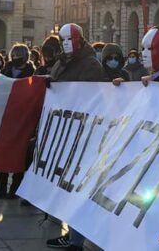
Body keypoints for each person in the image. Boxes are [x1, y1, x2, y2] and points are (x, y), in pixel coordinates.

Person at [46, 24, 106, 251]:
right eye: (62, 41)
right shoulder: (62, 61)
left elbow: (90, 95)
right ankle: (71, 234)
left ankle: (77, 239)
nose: (65, 45)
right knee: (65, 186)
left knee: (77, 187)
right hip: (63, 129)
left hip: (81, 133)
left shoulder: (90, 64)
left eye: (69, 40)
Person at [0, 43, 35, 199]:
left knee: (20, 153)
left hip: (23, 118)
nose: (17, 58)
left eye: (20, 55)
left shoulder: (32, 73)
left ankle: (15, 187)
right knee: (3, 152)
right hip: (5, 117)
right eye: (15, 55)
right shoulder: (4, 71)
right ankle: (1, 187)